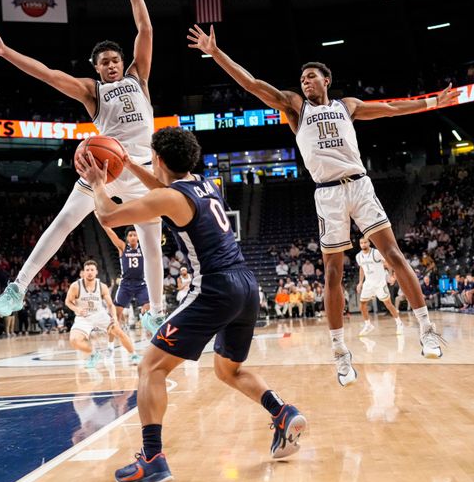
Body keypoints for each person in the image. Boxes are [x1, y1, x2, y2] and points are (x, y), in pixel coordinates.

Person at [188, 25, 453, 381]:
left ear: (327, 79)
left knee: (393, 255)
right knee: (332, 272)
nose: (305, 82)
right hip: (326, 193)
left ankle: (426, 329)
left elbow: (390, 108)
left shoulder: (348, 106)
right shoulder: (296, 107)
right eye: (302, 78)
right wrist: (215, 53)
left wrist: (432, 102)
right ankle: (340, 350)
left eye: (311, 77)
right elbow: (252, 84)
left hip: (359, 185)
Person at [78, 127, 306, 482]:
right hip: (246, 285)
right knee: (228, 371)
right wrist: (127, 165)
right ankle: (282, 411)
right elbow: (164, 188)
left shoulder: (171, 197)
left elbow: (107, 216)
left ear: (159, 159)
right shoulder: (204, 182)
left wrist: (97, 181)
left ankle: (152, 459)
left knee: (151, 366)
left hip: (214, 287)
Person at [0, 0, 165, 332]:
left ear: (123, 62)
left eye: (115, 60)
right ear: (96, 67)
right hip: (103, 171)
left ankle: (156, 312)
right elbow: (47, 73)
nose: (111, 65)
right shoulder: (92, 91)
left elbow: (146, 28)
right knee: (63, 222)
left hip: (140, 168)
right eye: (104, 62)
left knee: (150, 238)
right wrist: (6, 52)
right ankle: (17, 289)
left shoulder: (139, 77)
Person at [65, 260, 141, 368]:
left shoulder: (102, 286)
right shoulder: (75, 286)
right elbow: (68, 301)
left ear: (96, 272)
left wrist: (114, 317)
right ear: (83, 272)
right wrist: (76, 309)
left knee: (119, 331)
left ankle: (134, 355)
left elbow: (110, 305)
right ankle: (93, 354)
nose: (90, 272)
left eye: (92, 270)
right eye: (87, 270)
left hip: (99, 315)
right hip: (84, 317)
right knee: (74, 340)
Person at [101, 225, 150, 327]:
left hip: (140, 283)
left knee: (148, 309)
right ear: (127, 238)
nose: (132, 237)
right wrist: (105, 226)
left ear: (138, 237)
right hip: (125, 284)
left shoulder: (144, 248)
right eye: (130, 235)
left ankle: (150, 331)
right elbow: (112, 235)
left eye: (134, 235)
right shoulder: (123, 247)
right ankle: (113, 340)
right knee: (116, 314)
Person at [355, 237, 403, 336]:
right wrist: (360, 282)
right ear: (360, 244)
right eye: (361, 243)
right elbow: (362, 269)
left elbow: (388, 263)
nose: (363, 244)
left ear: (369, 243)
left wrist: (390, 276)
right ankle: (368, 325)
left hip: (380, 283)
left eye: (365, 242)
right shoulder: (358, 256)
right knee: (362, 304)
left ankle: (399, 323)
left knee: (388, 304)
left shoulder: (376, 253)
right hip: (368, 283)